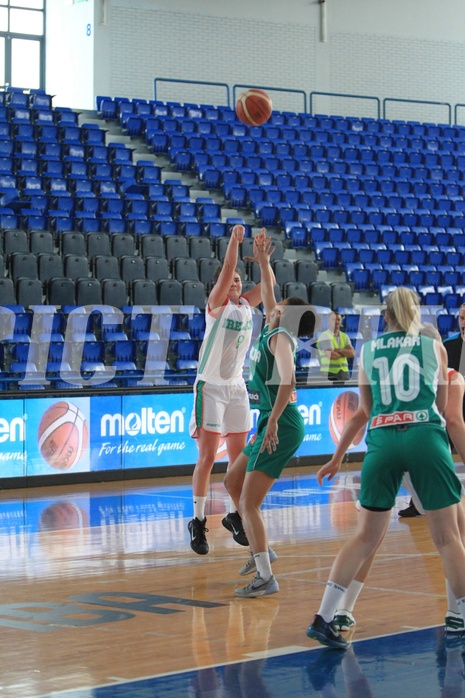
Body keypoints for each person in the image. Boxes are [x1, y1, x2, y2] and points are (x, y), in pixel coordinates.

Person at [306, 287, 465, 649]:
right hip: (424, 434)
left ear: (386, 317)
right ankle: (460, 616)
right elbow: (441, 408)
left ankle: (326, 615)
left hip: (381, 438)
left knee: (365, 538)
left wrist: (336, 457)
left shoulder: (368, 351)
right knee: (449, 538)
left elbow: (364, 409)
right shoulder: (434, 348)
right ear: (415, 314)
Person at [223, 234, 315, 598]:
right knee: (232, 481)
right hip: (271, 421)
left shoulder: (281, 340)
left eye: (282, 305)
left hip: (282, 423)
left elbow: (288, 379)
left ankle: (265, 576)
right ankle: (261, 550)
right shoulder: (275, 328)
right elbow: (270, 292)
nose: (274, 304)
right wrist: (262, 261)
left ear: (287, 316)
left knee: (249, 502)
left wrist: (273, 421)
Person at [188, 225, 269, 555]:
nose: (235, 282)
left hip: (237, 389)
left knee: (239, 461)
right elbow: (226, 270)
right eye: (231, 280)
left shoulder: (248, 306)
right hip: (211, 387)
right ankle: (197, 521)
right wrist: (235, 243)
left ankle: (235, 515)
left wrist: (263, 259)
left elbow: (268, 286)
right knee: (207, 457)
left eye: (239, 280)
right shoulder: (216, 306)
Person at [317, 311, 354, 382]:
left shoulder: (345, 336)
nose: (336, 322)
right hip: (329, 373)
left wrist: (339, 350)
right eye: (334, 320)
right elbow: (332, 355)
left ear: (341, 322)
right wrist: (345, 353)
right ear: (329, 321)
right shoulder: (324, 336)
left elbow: (352, 353)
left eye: (338, 320)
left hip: (344, 373)